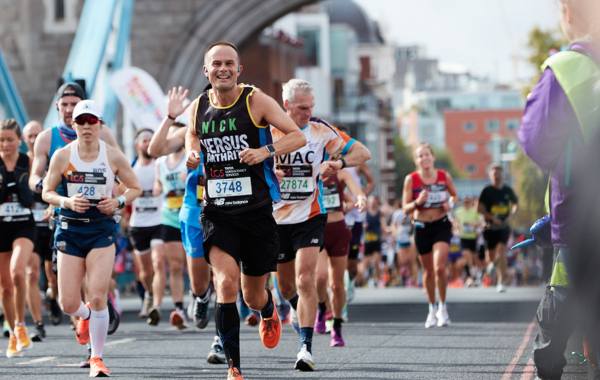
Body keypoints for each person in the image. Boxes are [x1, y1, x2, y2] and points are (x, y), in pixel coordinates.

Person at [183, 41, 306, 380]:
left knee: (252, 295)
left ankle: (267, 309)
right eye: (216, 64)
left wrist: (265, 151)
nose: (223, 69)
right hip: (217, 212)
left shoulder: (255, 100)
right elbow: (191, 138)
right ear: (206, 71)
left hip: (255, 212)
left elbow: (297, 137)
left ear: (239, 70)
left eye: (229, 64)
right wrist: (192, 155)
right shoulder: (197, 107)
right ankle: (234, 368)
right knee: (225, 283)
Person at [518, 0, 600, 377]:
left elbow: (536, 140)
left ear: (569, 12)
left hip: (582, 222)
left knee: (556, 330)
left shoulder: (569, 68)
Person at [273, 78, 370, 371]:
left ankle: (305, 347)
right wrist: (268, 170)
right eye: (302, 107)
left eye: (311, 106)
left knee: (307, 279)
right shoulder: (269, 130)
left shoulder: (320, 130)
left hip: (311, 216)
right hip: (277, 219)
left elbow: (363, 153)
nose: (308, 112)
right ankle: (296, 308)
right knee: (286, 285)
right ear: (286, 105)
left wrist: (338, 164)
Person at [42, 100, 141, 377]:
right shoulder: (63, 155)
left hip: (100, 230)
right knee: (68, 304)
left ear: (100, 125)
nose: (86, 127)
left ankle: (97, 358)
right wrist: (67, 201)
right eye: (81, 122)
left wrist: (118, 201)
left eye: (91, 121)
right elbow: (46, 193)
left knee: (97, 296)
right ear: (74, 125)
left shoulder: (112, 156)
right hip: (71, 229)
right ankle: (85, 317)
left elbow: (135, 187)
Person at [29, 83, 119, 325]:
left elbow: (118, 175)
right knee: (69, 289)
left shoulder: (105, 134)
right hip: (62, 212)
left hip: (97, 216)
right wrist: (46, 188)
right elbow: (35, 177)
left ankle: (95, 326)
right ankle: (85, 320)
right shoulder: (47, 139)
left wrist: (116, 202)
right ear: (57, 106)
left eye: (74, 104)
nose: (69, 109)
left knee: (91, 280)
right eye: (64, 104)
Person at [148, 86, 225, 363]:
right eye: (209, 100)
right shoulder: (193, 128)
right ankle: (201, 297)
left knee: (225, 278)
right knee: (200, 279)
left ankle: (220, 341)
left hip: (230, 209)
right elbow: (154, 149)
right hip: (195, 210)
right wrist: (170, 116)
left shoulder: (241, 125)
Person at [402, 143, 457, 328]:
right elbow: (405, 207)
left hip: (441, 225)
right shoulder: (411, 179)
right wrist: (417, 202)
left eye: (427, 155)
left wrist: (450, 203)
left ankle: (443, 308)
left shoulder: (443, 176)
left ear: (432, 157)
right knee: (428, 271)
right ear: (416, 160)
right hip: (421, 226)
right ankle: (431, 308)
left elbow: (454, 196)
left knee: (439, 267)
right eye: (420, 156)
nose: (424, 158)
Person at [315, 164, 366, 347]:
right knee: (320, 278)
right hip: (317, 228)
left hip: (338, 230)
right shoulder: (310, 169)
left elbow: (357, 191)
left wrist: (360, 199)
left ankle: (336, 326)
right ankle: (322, 308)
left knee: (337, 285)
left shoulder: (341, 174)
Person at [0, 119, 36, 357]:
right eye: (1, 140)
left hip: (24, 224)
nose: (5, 144)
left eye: (10, 140)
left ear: (19, 141)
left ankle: (22, 323)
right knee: (5, 288)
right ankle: (13, 332)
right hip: (0, 226)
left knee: (17, 271)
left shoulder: (28, 161)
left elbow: (37, 190)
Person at [149, 127, 188, 329]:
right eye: (170, 135)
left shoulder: (191, 157)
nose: (173, 139)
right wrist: (155, 189)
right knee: (175, 265)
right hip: (170, 217)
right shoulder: (160, 163)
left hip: (191, 215)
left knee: (196, 263)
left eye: (177, 135)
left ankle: (200, 298)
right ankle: (179, 308)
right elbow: (158, 185)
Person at [127, 128, 163, 319]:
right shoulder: (131, 167)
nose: (148, 144)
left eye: (151, 140)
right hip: (138, 224)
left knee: (158, 262)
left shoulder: (159, 164)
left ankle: (156, 305)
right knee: (145, 271)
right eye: (144, 140)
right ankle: (148, 293)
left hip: (158, 221)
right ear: (137, 144)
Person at [22, 121, 52, 340]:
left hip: (51, 224)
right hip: (28, 226)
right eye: (30, 136)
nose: (33, 139)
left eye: (37, 135)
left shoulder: (52, 158)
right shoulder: (20, 163)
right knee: (32, 272)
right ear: (24, 139)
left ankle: (53, 298)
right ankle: (38, 324)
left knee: (53, 276)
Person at [478, 164, 518, 293]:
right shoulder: (487, 191)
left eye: (499, 173)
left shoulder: (507, 190)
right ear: (490, 175)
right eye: (494, 173)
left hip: (503, 226)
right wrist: (491, 217)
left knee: (501, 251)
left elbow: (515, 204)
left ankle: (501, 282)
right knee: (491, 256)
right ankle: (492, 264)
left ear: (502, 175)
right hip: (490, 227)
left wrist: (511, 213)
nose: (497, 176)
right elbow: (479, 209)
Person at [453, 196, 481, 286]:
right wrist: (457, 228)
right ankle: (471, 276)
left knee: (472, 258)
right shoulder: (458, 212)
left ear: (470, 202)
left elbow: (480, 222)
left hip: (473, 237)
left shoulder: (475, 212)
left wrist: (473, 224)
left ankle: (472, 277)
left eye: (468, 202)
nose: (466, 203)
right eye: (465, 202)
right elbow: (455, 223)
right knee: (466, 254)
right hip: (463, 237)